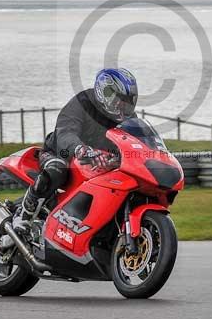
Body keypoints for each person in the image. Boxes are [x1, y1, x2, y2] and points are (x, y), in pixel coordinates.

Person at [12, 68, 138, 233]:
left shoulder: (129, 118)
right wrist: (79, 149)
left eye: (127, 101)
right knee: (57, 169)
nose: (123, 104)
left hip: (96, 165)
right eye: (119, 99)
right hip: (60, 153)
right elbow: (65, 131)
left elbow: (136, 141)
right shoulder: (82, 102)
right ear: (105, 93)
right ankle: (24, 214)